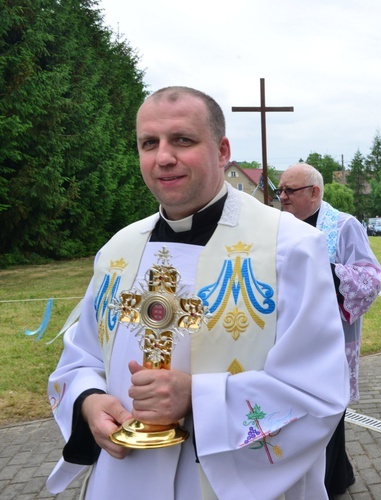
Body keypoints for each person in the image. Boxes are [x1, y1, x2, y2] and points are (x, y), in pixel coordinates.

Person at [46, 87, 349, 499]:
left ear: (222, 151)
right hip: (124, 480)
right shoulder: (118, 250)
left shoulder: (289, 247)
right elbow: (80, 357)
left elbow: (318, 392)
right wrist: (88, 402)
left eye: (182, 140)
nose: (163, 157)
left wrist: (198, 399)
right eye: (149, 143)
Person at [277, 162, 381, 496]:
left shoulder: (344, 226)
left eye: (289, 191)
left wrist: (327, 271)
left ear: (315, 192)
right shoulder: (279, 226)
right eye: (280, 190)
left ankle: (329, 480)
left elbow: (370, 277)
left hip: (330, 338)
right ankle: (334, 473)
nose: (282, 197)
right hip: (288, 335)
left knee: (327, 409)